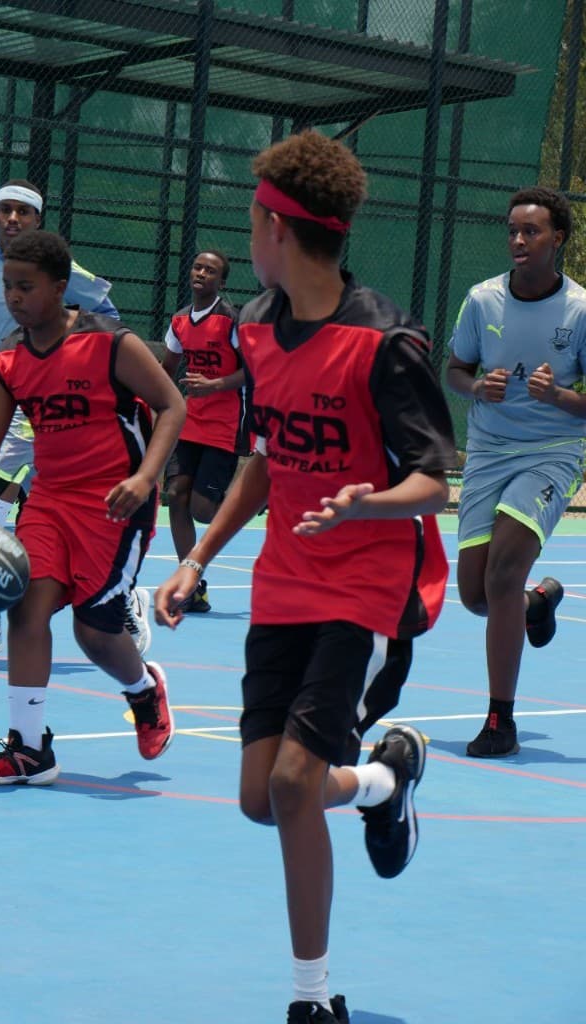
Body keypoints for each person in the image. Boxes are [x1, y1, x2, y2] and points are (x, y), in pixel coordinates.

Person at [154, 130, 456, 1023]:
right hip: (285, 582)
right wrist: (196, 559)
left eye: (252, 219)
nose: (247, 236)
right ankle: (385, 782)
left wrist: (369, 503)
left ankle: (311, 999)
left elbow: (436, 479)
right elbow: (263, 459)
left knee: (290, 784)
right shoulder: (255, 328)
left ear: (279, 229)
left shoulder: (384, 342)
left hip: (365, 591)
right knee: (261, 799)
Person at [0, 230, 185, 783]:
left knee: (94, 633)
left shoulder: (111, 344)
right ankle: (29, 749)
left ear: (59, 288)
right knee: (26, 606)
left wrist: (146, 475)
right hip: (50, 500)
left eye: (26, 287)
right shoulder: (10, 360)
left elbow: (171, 405)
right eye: (8, 286)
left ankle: (143, 690)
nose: (14, 297)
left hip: (115, 505)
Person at [0, 179, 152, 660]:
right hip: (13, 399)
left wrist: (67, 354)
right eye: (4, 211)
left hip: (64, 403)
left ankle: (117, 600)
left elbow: (108, 319)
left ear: (37, 219)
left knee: (50, 512)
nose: (12, 219)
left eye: (23, 212)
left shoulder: (65, 270)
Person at [446, 186, 586, 758]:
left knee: (501, 575)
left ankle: (500, 721)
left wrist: (561, 398)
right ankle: (536, 603)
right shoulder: (482, 301)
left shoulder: (580, 310)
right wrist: (478, 386)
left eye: (531, 231)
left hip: (552, 451)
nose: (519, 240)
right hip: (487, 452)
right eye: (512, 230)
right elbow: (455, 370)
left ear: (558, 239)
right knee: (478, 595)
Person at [161, 250, 249, 613]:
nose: (201, 273)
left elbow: (255, 371)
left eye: (210, 270)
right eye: (197, 267)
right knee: (175, 495)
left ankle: (247, 501)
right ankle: (192, 585)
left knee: (201, 510)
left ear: (221, 282)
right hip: (191, 421)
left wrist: (215, 385)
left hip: (226, 423)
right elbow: (167, 369)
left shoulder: (231, 321)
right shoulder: (180, 320)